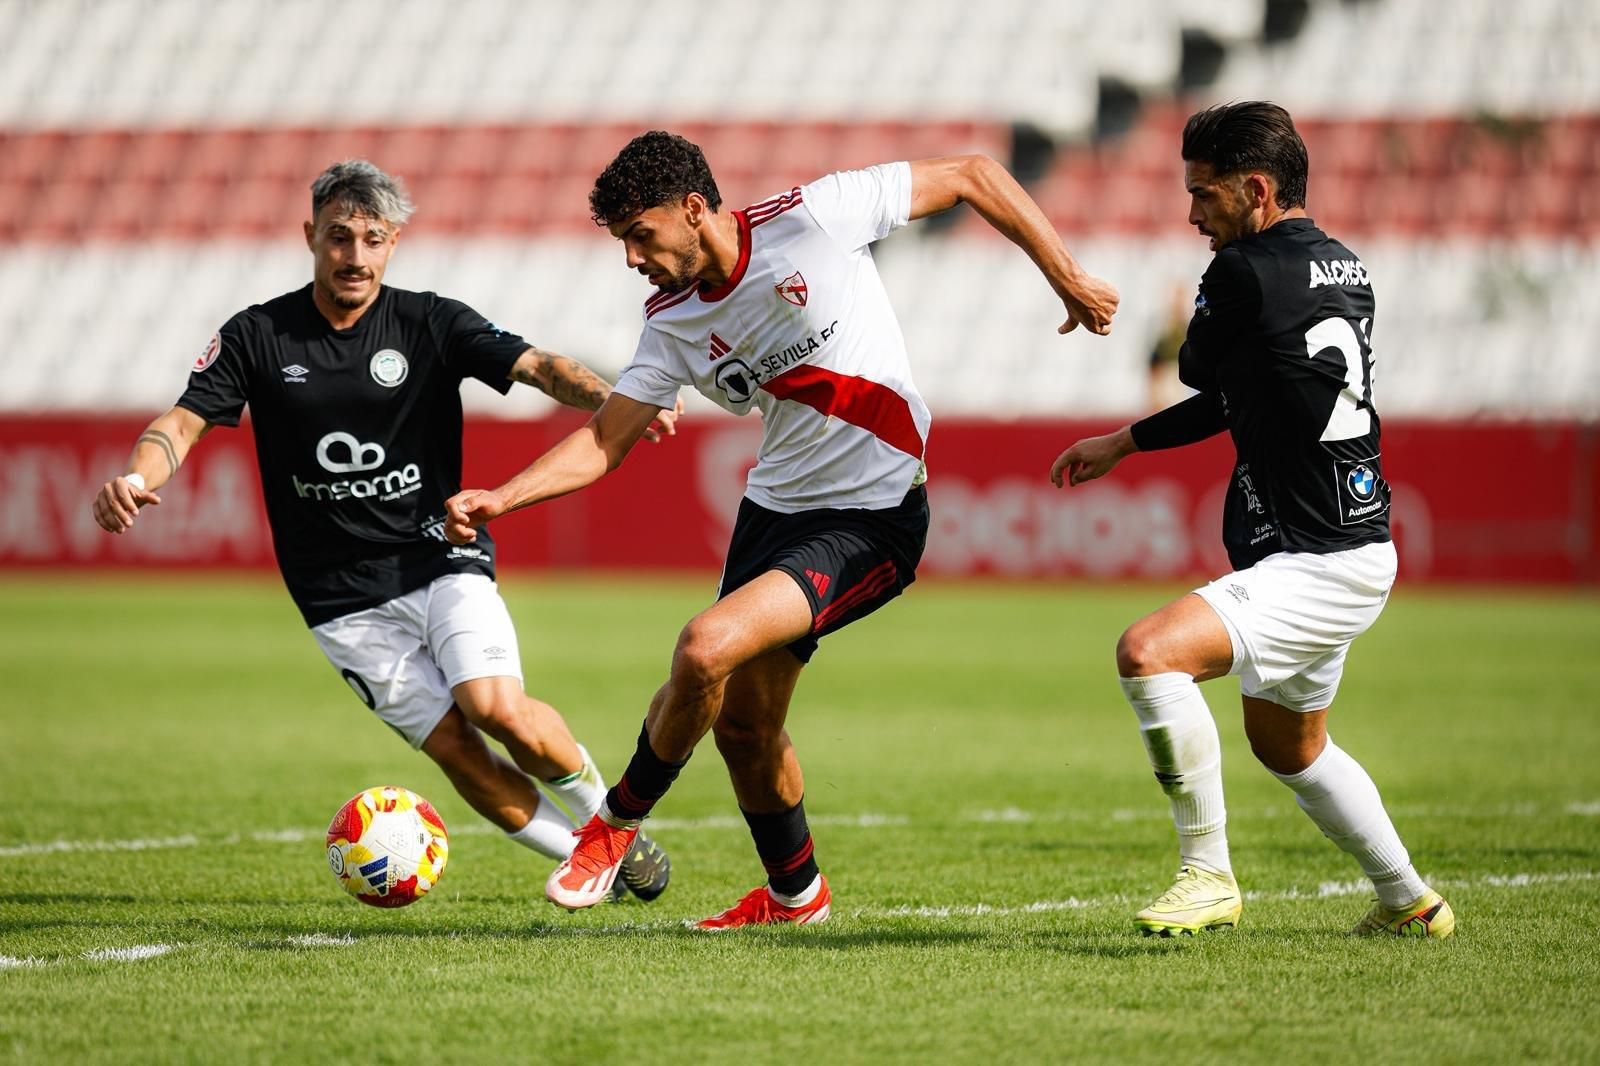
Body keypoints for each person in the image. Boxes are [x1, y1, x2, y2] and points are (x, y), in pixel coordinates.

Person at [444, 131, 1120, 927]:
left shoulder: (816, 218)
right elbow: (605, 438)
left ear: (694, 209)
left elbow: (972, 172)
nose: (631, 258)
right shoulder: (671, 322)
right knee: (743, 726)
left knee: (705, 646)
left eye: (640, 235)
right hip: (773, 514)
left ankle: (614, 827)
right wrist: (504, 497)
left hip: (873, 518)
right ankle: (797, 899)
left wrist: (1067, 277)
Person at [91, 160, 677, 904]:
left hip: (441, 558)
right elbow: (180, 423)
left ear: (394, 242)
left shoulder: (430, 321)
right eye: (340, 237)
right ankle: (587, 860)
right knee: (459, 752)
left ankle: (609, 830)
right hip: (338, 599)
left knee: (494, 708)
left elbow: (538, 366)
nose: (355, 256)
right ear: (311, 237)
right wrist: (139, 479)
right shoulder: (257, 335)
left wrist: (617, 396)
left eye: (372, 239)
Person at [1050, 102, 1454, 939]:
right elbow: (1242, 393)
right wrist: (1126, 441)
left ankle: (1207, 874)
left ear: (1257, 189)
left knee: (1147, 653)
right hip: (1356, 544)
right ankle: (1411, 901)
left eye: (1204, 194)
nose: (1193, 214)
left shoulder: (1244, 272)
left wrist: (1182, 322)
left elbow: (1196, 364)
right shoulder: (1345, 266)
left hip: (1317, 560)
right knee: (1291, 748)